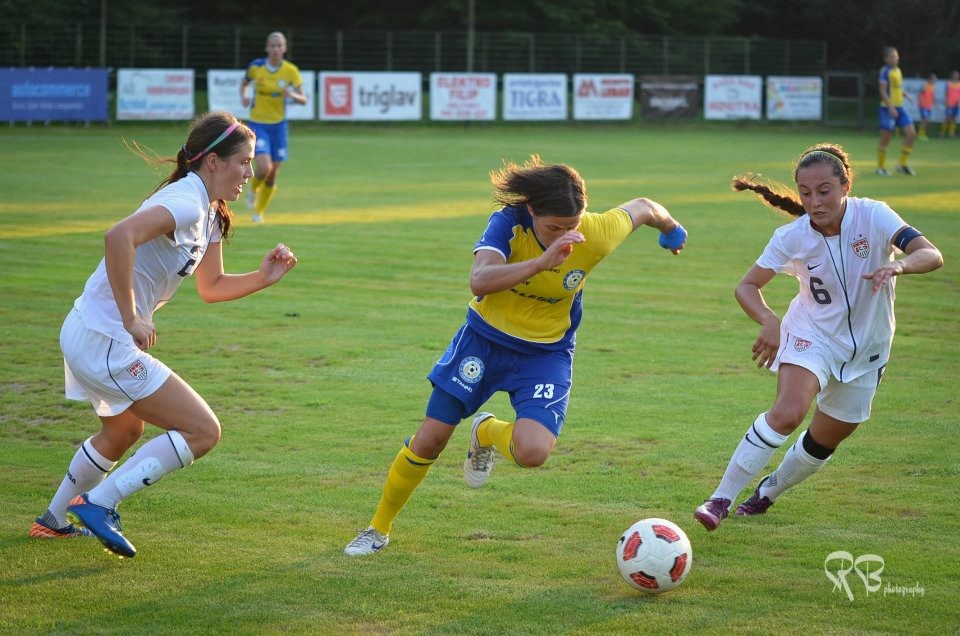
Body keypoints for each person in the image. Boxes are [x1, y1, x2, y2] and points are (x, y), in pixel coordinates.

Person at [344, 155, 688, 555]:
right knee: (430, 440)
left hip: (545, 355)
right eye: (554, 228)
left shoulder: (595, 232)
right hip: (484, 342)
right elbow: (480, 280)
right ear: (531, 211)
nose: (565, 235)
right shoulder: (508, 224)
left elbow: (644, 207)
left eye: (572, 226)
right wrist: (541, 263)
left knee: (533, 452)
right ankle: (378, 529)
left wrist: (672, 229)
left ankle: (487, 432)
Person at [29, 111, 299, 557]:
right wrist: (131, 317)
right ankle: (98, 503)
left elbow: (212, 287)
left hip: (87, 331)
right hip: (104, 338)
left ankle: (53, 522)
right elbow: (118, 237)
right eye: (244, 161)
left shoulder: (210, 213)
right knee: (202, 430)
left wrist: (263, 277)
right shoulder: (187, 201)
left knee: (123, 430)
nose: (251, 173)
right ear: (213, 161)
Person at [694, 143, 942, 531]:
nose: (814, 202)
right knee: (788, 412)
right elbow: (746, 286)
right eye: (806, 192)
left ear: (846, 186)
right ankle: (720, 499)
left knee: (823, 441)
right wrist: (768, 319)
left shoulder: (874, 215)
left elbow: (931, 254)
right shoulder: (791, 236)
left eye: (824, 191)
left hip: (870, 350)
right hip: (812, 336)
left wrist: (899, 267)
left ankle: (768, 492)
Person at [240, 31, 307, 224]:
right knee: (264, 167)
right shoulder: (256, 67)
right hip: (258, 124)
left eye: (279, 46)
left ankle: (259, 213)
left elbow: (303, 99)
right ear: (267, 48)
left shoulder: (290, 71)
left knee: (273, 173)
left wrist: (292, 95)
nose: (276, 49)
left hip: (278, 126)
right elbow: (244, 84)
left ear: (284, 49)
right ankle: (253, 190)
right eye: (272, 45)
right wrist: (244, 95)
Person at [875, 46, 917, 175]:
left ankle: (902, 165)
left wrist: (906, 95)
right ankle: (880, 168)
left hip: (899, 107)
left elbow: (896, 88)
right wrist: (890, 107)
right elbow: (883, 90)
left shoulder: (898, 70)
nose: (895, 58)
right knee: (886, 137)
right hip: (887, 109)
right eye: (891, 56)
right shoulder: (885, 71)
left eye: (896, 56)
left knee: (911, 134)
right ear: (886, 59)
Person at [916, 72, 936, 141]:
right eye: (933, 79)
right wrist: (922, 101)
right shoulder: (925, 85)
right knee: (924, 120)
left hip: (928, 106)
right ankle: (920, 135)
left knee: (926, 121)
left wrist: (933, 102)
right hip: (923, 106)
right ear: (930, 79)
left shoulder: (933, 86)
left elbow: (932, 96)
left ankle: (923, 134)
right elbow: (919, 93)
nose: (935, 80)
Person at [941, 70, 960, 139]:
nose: (956, 76)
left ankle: (951, 133)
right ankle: (942, 133)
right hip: (949, 104)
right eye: (954, 75)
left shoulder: (959, 84)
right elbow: (946, 93)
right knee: (947, 119)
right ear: (952, 76)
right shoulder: (948, 83)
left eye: (957, 75)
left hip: (956, 104)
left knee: (954, 119)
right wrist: (946, 101)